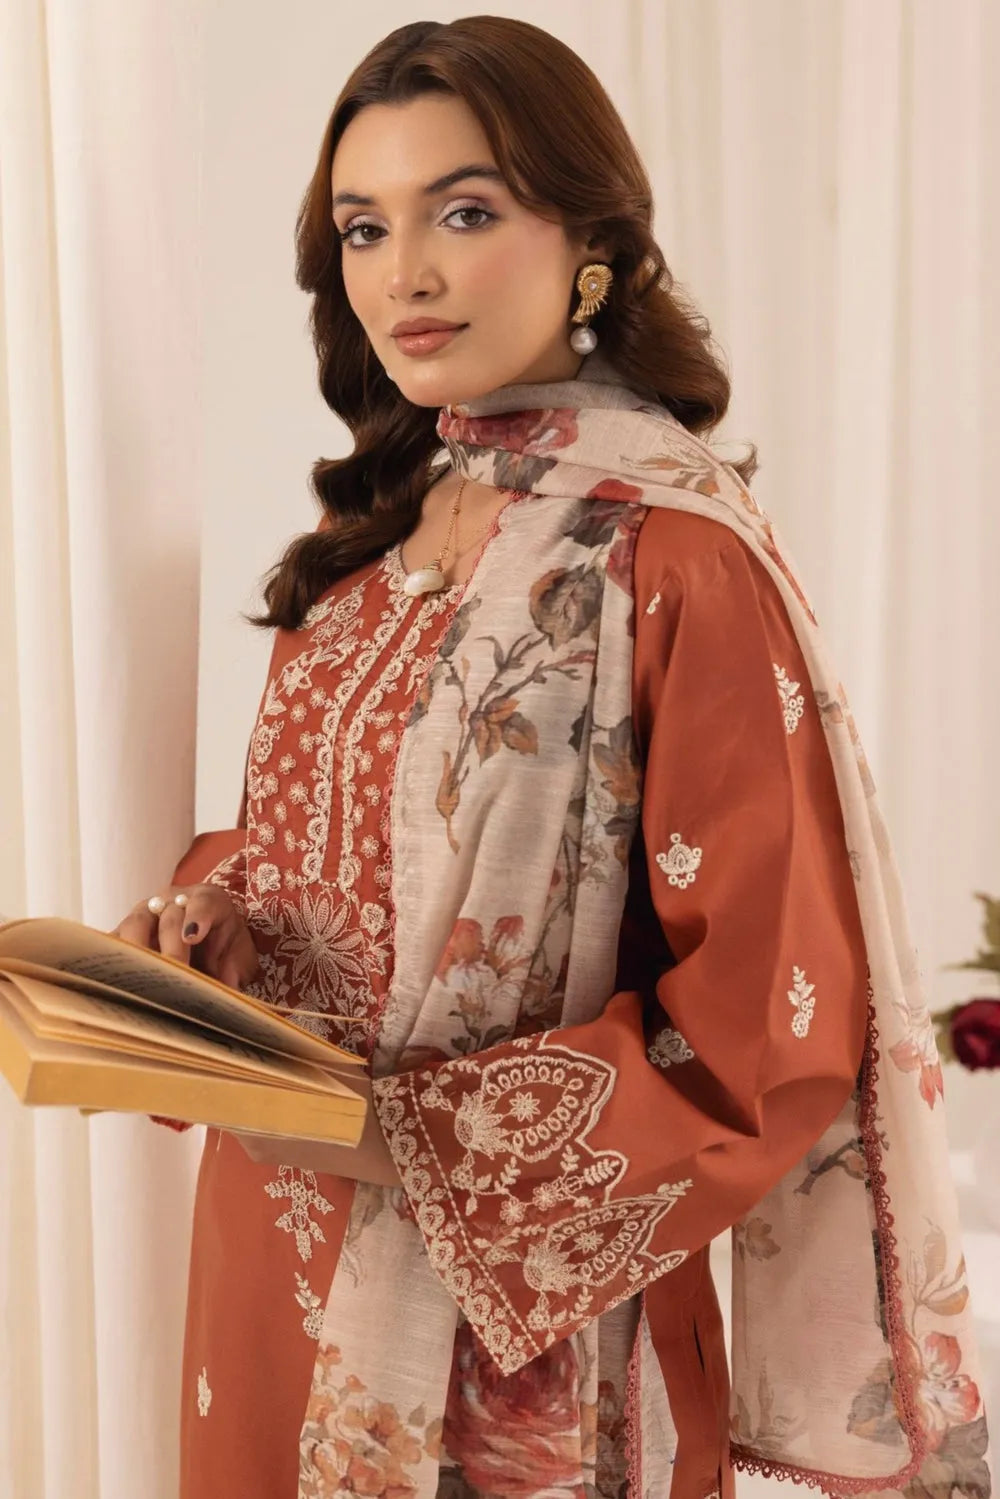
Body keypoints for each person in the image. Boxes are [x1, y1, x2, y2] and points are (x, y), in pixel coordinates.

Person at [114, 17, 990, 1499]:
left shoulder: (676, 559)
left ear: (591, 245)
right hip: (272, 1258)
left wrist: (396, 1132)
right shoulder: (366, 545)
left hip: (520, 1335)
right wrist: (218, 925)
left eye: (464, 213)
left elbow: (764, 1032)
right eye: (364, 227)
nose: (405, 273)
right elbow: (344, 852)